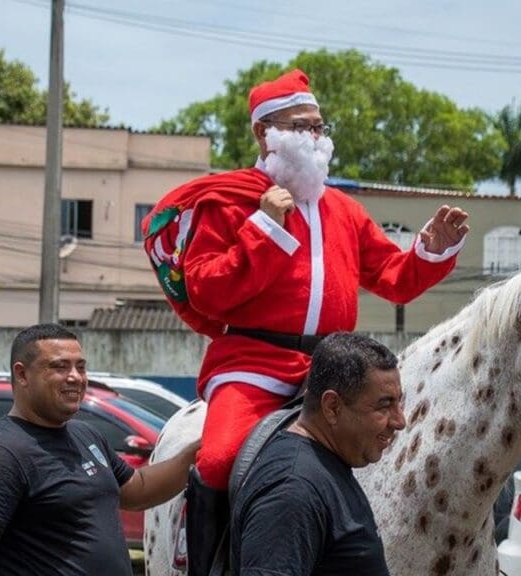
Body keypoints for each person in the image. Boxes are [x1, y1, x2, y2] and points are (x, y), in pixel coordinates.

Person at [141, 68, 469, 574]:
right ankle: (207, 565)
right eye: (299, 126)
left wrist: (433, 249)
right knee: (219, 458)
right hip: (254, 363)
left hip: (337, 368)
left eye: (318, 127)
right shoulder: (229, 200)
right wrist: (265, 226)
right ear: (263, 133)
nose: (314, 138)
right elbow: (208, 292)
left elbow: (395, 277)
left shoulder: (343, 208)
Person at [0, 324, 199, 576]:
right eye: (59, 366)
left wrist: (198, 452)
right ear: (22, 375)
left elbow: (139, 488)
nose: (75, 377)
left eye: (81, 367)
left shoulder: (85, 435)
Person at [230, 332, 405, 576]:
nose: (400, 421)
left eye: (399, 403)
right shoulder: (292, 491)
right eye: (384, 405)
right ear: (332, 407)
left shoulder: (326, 466)